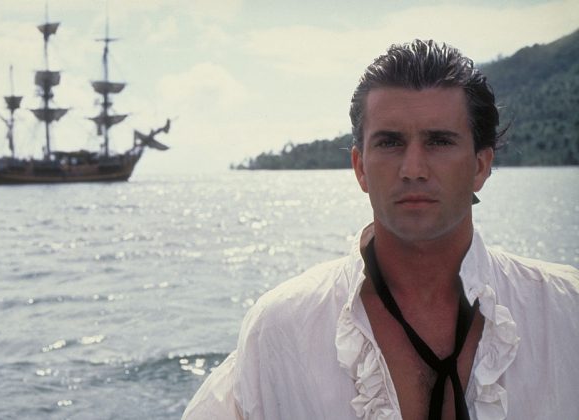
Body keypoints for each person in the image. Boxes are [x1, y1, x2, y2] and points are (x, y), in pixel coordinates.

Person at [182, 40, 579, 420]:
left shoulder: (566, 312)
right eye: (390, 143)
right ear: (360, 168)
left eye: (439, 141)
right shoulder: (280, 329)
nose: (413, 169)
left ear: (480, 166)